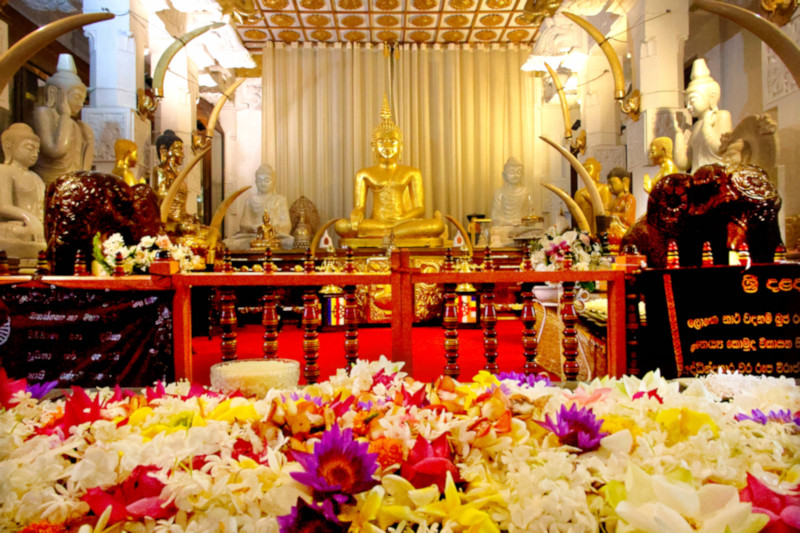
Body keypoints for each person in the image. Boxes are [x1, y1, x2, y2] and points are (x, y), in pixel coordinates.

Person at [334, 95, 444, 245]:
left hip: (403, 222)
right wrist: (357, 212)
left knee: (437, 225)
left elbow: (420, 208)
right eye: (381, 142)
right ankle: (393, 233)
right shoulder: (364, 174)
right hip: (377, 223)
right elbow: (359, 206)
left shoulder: (412, 172)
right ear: (373, 146)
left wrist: (401, 220)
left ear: (400, 146)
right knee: (341, 225)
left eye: (392, 142)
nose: (387, 147)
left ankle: (390, 233)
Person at [32, 54, 94, 186]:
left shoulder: (77, 126)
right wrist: (65, 115)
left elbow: (83, 168)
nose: (80, 104)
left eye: (83, 100)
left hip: (72, 185)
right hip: (50, 182)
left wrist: (88, 139)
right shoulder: (43, 113)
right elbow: (56, 150)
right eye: (77, 97)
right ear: (54, 92)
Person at [673, 58, 732, 173]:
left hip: (717, 176)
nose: (688, 106)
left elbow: (722, 151)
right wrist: (679, 133)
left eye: (692, 100)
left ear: (711, 96)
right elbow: (684, 163)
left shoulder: (721, 116)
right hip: (697, 176)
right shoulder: (696, 126)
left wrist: (707, 128)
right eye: (686, 103)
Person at [0, 123, 46, 257]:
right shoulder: (4, 171)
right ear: (9, 147)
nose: (34, 154)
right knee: (19, 233)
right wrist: (28, 217)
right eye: (29, 148)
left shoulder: (36, 177)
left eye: (37, 151)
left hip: (35, 224)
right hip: (14, 225)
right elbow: (3, 206)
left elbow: (42, 205)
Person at [224, 164, 293, 250]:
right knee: (227, 244)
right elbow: (243, 224)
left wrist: (270, 229)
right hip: (254, 236)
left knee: (291, 242)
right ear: (256, 182)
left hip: (275, 236)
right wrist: (252, 228)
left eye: (266, 180)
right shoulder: (250, 200)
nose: (262, 184)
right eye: (259, 180)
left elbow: (287, 225)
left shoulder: (280, 199)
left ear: (274, 182)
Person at [489, 157, 536, 246]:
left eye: (518, 172)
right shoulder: (499, 192)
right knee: (495, 231)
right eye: (511, 172)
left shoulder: (527, 192)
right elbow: (495, 217)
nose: (515, 175)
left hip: (521, 228)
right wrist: (509, 222)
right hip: (505, 228)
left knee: (531, 231)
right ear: (504, 175)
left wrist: (522, 222)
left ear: (522, 174)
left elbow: (532, 215)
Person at [152, 130, 187, 225]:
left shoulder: (177, 174)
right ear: (164, 150)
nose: (182, 155)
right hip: (169, 218)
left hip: (180, 218)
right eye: (178, 149)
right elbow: (160, 193)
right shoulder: (160, 170)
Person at [573, 157, 611, 235]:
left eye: (588, 169)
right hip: (584, 229)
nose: (585, 173)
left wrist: (591, 200)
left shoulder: (603, 189)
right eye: (583, 171)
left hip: (598, 229)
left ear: (597, 172)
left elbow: (605, 213)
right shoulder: (579, 193)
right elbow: (577, 215)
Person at [606, 167, 636, 250]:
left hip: (623, 230)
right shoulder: (613, 201)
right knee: (602, 235)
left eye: (612, 183)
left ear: (624, 182)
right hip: (613, 229)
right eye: (608, 184)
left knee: (614, 236)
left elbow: (628, 219)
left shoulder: (629, 198)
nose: (609, 187)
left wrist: (611, 215)